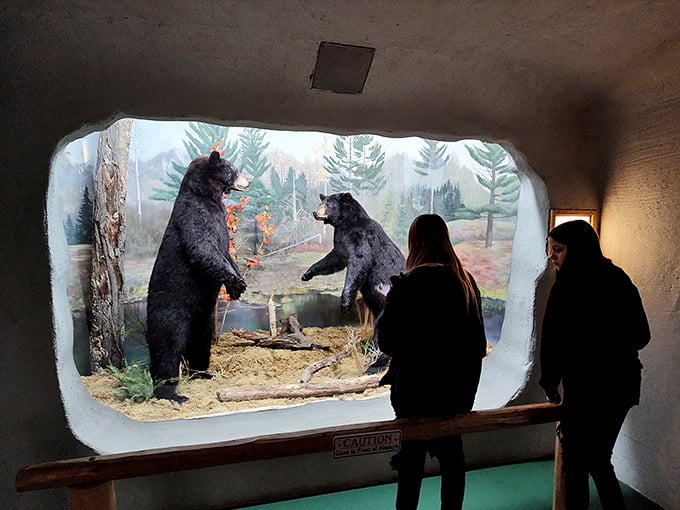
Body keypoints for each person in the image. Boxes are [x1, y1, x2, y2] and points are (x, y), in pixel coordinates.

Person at [375, 214, 487, 510]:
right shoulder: (465, 283)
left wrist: (389, 304)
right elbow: (477, 345)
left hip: (415, 393)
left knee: (410, 462)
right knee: (453, 460)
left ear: (414, 242)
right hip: (455, 393)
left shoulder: (408, 284)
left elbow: (386, 341)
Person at [540, 220, 651, 510]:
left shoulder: (566, 287)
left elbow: (552, 341)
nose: (552, 256)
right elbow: (642, 336)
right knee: (599, 460)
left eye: (558, 250)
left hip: (585, 389)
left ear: (576, 250)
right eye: (551, 249)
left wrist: (550, 385)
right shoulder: (619, 278)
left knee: (576, 463)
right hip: (623, 384)